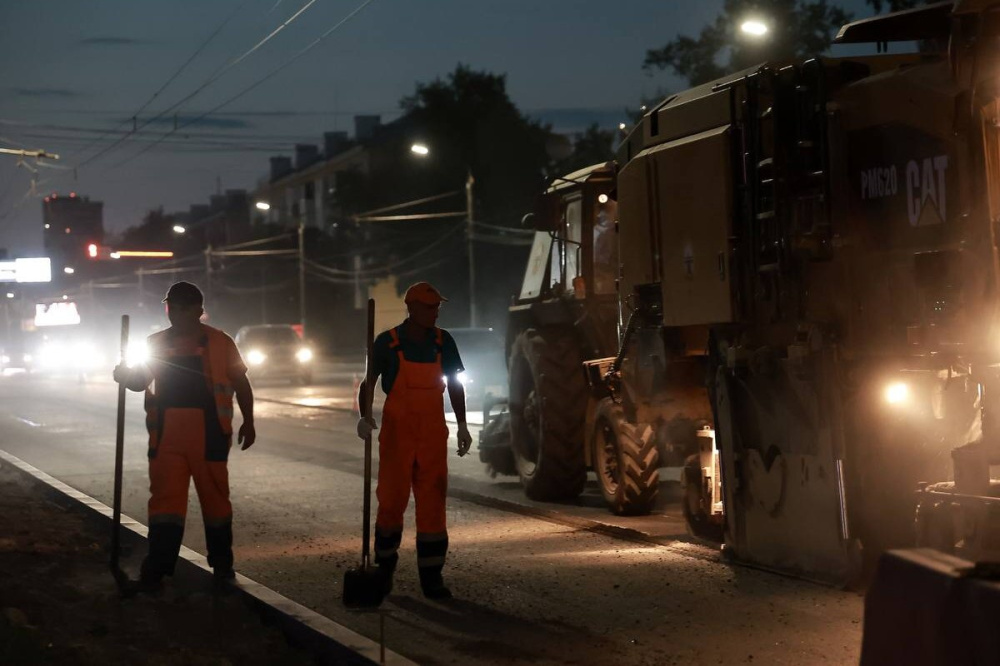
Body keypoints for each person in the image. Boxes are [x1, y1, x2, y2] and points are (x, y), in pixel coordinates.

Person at [113, 281, 256, 592]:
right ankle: (158, 568)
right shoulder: (155, 343)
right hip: (166, 438)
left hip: (210, 436)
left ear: (199, 311)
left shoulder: (221, 342)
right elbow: (141, 381)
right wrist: (124, 375)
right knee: (165, 504)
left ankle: (222, 565)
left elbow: (241, 383)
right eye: (172, 307)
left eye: (183, 307)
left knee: (216, 502)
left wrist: (250, 421)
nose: (176, 313)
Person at [356, 281, 473, 600]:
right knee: (391, 501)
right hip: (398, 435)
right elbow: (369, 383)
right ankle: (384, 569)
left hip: (432, 435)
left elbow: (455, 384)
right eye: (429, 308)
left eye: (437, 308)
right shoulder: (387, 342)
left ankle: (432, 578)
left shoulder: (443, 341)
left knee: (433, 504)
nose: (435, 313)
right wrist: (364, 416)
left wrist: (462, 424)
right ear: (412, 308)